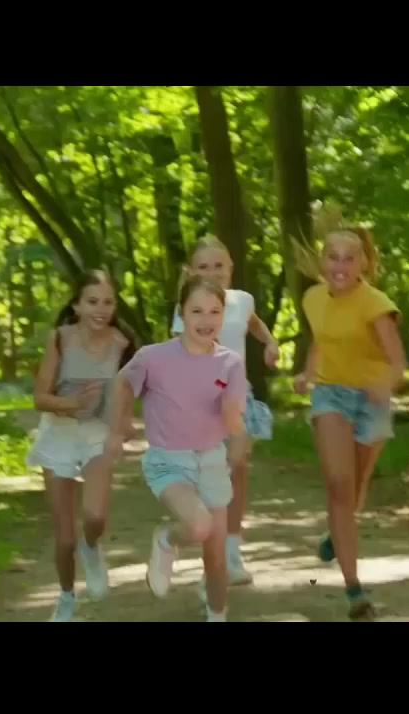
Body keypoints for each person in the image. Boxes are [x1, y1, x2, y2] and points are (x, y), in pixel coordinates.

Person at [104, 275, 248, 622]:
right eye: (196, 310)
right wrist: (119, 426)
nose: (206, 319)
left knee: (216, 557)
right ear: (181, 314)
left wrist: (237, 435)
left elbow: (234, 415)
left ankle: (217, 616)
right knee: (199, 526)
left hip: (211, 461)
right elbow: (122, 383)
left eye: (214, 311)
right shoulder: (154, 357)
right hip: (168, 462)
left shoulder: (230, 363)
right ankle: (167, 539)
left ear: (223, 316)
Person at [292, 206, 406, 620]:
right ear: (322, 261)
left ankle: (335, 533)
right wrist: (308, 374)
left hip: (371, 400)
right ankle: (354, 590)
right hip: (331, 396)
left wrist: (385, 385)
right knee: (339, 488)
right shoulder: (312, 298)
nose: (339, 266)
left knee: (355, 492)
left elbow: (398, 363)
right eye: (332, 257)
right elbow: (321, 340)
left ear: (363, 264)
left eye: (348, 258)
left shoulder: (375, 304)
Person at [171, 236, 279, 589]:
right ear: (191, 271)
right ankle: (211, 549)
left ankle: (232, 550)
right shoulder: (186, 308)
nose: (213, 272)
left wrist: (270, 342)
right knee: (212, 475)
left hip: (237, 396)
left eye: (219, 265)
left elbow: (254, 323)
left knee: (237, 465)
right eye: (204, 266)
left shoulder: (241, 300)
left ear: (231, 268)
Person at [28, 269, 137, 622]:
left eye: (108, 302)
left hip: (97, 434)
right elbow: (40, 398)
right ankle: (66, 597)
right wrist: (71, 404)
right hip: (59, 433)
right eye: (92, 302)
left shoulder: (122, 343)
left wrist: (123, 425)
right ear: (76, 306)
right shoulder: (60, 339)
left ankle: (91, 547)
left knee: (95, 516)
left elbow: (125, 394)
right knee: (63, 540)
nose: (100, 309)